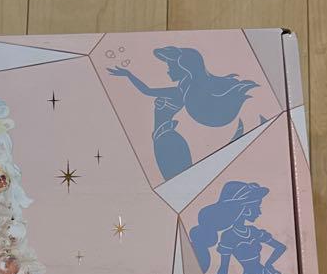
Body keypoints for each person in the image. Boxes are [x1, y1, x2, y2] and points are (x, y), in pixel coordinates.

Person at [108, 46, 258, 180]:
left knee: (176, 183)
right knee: (176, 183)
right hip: (163, 137)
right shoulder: (181, 91)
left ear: (184, 69)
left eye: (170, 66)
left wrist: (128, 75)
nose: (168, 70)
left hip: (168, 140)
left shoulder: (178, 93)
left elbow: (147, 91)